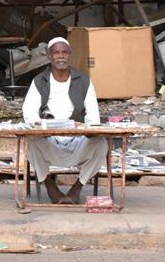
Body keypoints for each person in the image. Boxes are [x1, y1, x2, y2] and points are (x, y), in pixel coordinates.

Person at [20, 36, 106, 204]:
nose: (61, 56)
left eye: (65, 52)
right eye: (56, 53)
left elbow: (93, 116)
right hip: (50, 141)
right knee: (30, 142)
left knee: (102, 144)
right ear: (49, 57)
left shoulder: (84, 81)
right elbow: (29, 113)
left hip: (77, 140)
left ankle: (77, 189)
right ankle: (51, 188)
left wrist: (84, 127)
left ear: (70, 55)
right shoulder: (39, 81)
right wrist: (42, 125)